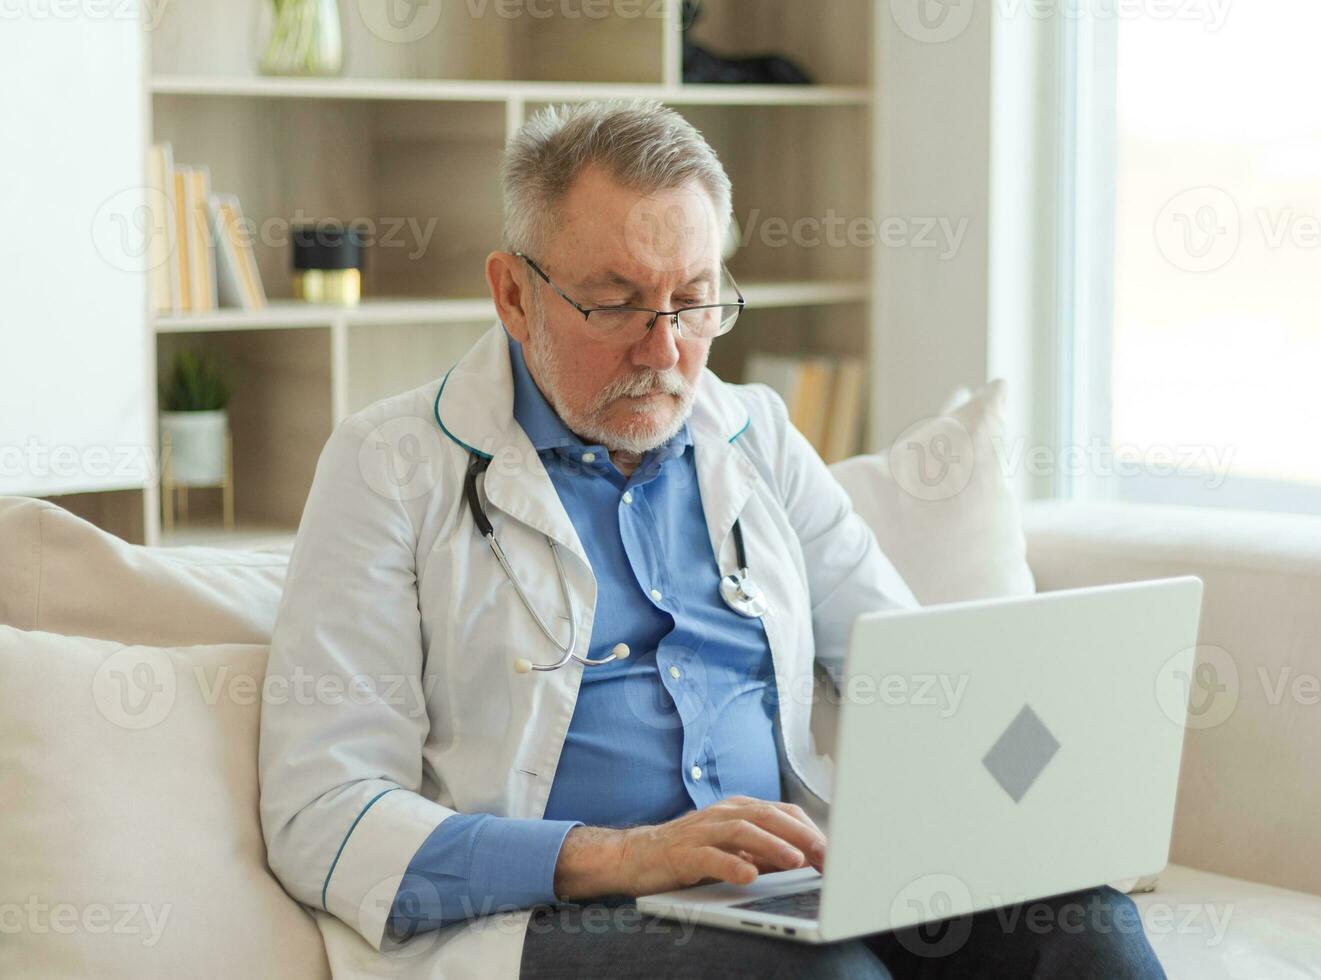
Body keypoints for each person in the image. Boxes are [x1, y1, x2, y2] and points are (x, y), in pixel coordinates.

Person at [257, 98, 1165, 979]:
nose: (664, 352)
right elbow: (322, 817)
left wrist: (1035, 805)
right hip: (545, 922)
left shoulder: (754, 434)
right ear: (513, 294)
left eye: (692, 302)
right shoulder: (388, 466)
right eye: (615, 305)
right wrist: (624, 856)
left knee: (1081, 923)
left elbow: (917, 673)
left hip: (777, 894)